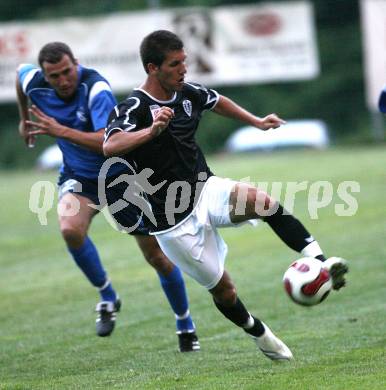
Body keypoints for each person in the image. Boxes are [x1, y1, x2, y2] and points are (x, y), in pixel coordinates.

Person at [103, 30, 349, 361]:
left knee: (263, 202)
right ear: (152, 68)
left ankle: (322, 262)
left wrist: (257, 122)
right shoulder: (134, 106)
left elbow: (217, 101)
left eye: (184, 62)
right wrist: (152, 131)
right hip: (172, 223)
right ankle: (257, 331)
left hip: (206, 190)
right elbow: (110, 146)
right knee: (225, 291)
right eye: (175, 64)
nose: (183, 69)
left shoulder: (186, 92)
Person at [16, 41, 200, 352]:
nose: (62, 80)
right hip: (80, 178)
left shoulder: (95, 89)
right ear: (45, 75)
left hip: (119, 178)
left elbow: (106, 142)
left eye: (66, 71)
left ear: (77, 63)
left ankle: (185, 323)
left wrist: (59, 131)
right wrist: (25, 118)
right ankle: (108, 296)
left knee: (156, 255)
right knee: (70, 230)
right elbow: (20, 76)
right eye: (54, 76)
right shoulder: (34, 81)